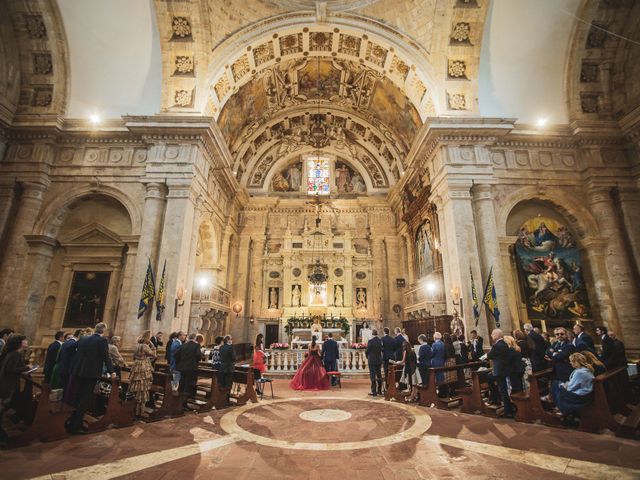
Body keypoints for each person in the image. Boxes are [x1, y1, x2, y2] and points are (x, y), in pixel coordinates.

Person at [66, 323, 114, 434]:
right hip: (91, 373)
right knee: (85, 398)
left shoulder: (83, 338)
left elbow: (69, 348)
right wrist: (112, 372)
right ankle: (75, 426)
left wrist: (78, 360)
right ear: (103, 331)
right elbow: (106, 357)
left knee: (76, 396)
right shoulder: (102, 341)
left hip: (78, 371)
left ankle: (71, 420)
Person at [0, 334, 30, 442]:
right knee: (5, 405)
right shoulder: (15, 354)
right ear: (19, 343)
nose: (27, 341)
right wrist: (26, 367)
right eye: (25, 340)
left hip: (8, 383)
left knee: (10, 404)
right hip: (8, 384)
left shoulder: (13, 353)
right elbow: (10, 369)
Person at [551, 352, 595, 426]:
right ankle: (560, 409)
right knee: (558, 385)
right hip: (586, 394)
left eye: (571, 361)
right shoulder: (586, 369)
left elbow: (570, 388)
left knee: (556, 384)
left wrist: (563, 385)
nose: (570, 363)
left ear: (576, 362)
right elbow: (575, 383)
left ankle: (562, 409)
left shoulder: (579, 372)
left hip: (579, 397)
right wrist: (565, 384)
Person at [486, 329, 514, 418]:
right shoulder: (505, 344)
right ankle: (504, 405)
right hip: (505, 369)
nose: (491, 335)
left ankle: (507, 411)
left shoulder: (496, 346)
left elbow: (489, 355)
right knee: (503, 389)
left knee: (503, 391)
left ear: (497, 335)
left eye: (492, 334)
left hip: (499, 371)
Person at [128, 330, 157, 416]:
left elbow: (133, 357)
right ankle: (140, 412)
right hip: (143, 367)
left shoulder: (137, 346)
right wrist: (153, 345)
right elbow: (154, 356)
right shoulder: (145, 346)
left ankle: (134, 409)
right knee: (143, 388)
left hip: (136, 366)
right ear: (148, 338)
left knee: (136, 387)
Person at [175, 333, 203, 406]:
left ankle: (178, 401)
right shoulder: (196, 345)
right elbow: (199, 356)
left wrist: (181, 361)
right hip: (191, 368)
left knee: (182, 383)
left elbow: (176, 355)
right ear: (195, 338)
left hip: (182, 367)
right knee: (188, 385)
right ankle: (184, 403)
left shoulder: (183, 345)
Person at [366, 329, 383, 396]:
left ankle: (374, 391)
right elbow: (382, 349)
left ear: (372, 334)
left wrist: (368, 356)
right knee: (379, 375)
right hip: (378, 360)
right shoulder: (380, 341)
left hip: (372, 361)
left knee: (372, 376)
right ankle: (379, 390)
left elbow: (367, 351)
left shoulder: (370, 341)